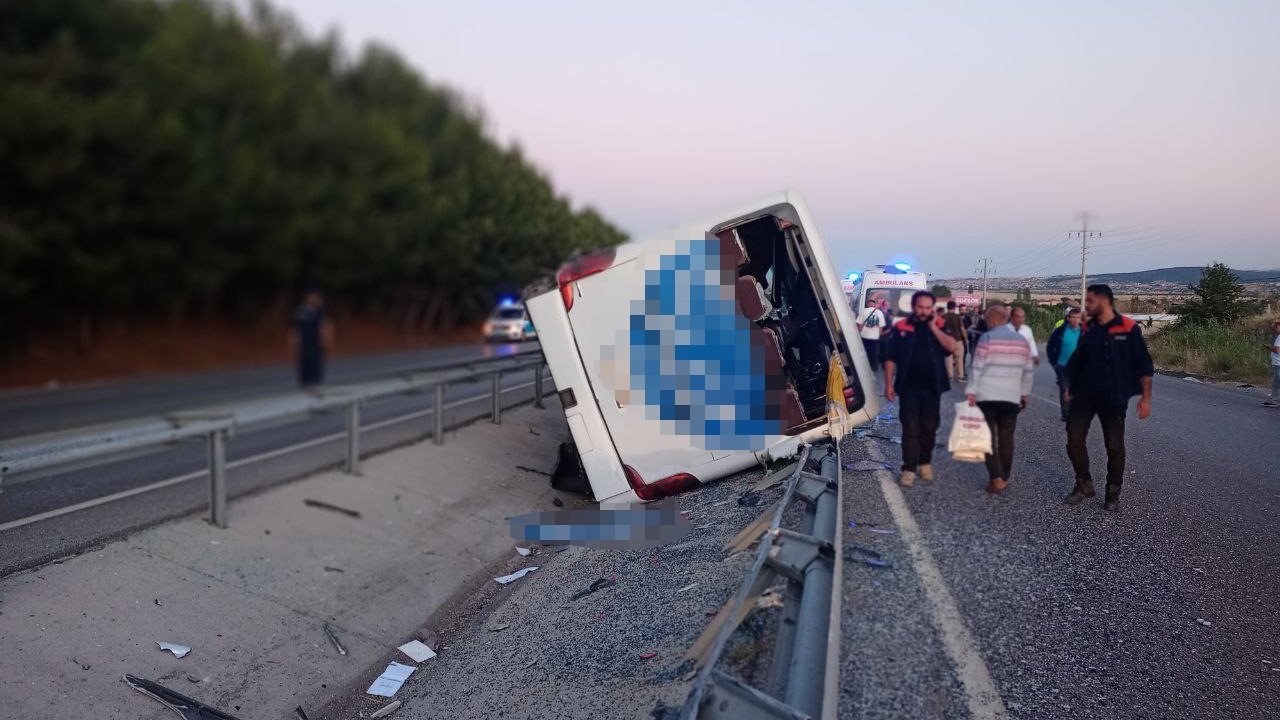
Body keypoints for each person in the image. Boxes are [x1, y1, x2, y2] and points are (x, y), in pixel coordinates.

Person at [1062, 284, 1154, 511]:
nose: (1086, 306)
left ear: (1103, 301)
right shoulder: (1088, 327)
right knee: (1074, 440)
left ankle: (1113, 492)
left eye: (1090, 301)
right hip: (1084, 393)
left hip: (1113, 396)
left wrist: (1146, 398)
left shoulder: (1128, 328)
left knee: (1114, 446)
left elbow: (1145, 364)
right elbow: (1078, 358)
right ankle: (1083, 482)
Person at [884, 291, 959, 487]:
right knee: (910, 429)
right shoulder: (902, 327)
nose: (924, 311)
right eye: (920, 307)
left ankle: (925, 462)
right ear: (914, 307)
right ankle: (909, 468)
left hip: (933, 387)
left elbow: (951, 347)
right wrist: (888, 384)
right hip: (908, 387)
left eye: (927, 308)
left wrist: (933, 327)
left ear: (932, 309)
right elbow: (891, 357)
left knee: (929, 428)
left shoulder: (940, 325)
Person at [966, 304, 1034, 494]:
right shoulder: (1021, 340)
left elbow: (977, 367)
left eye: (987, 320)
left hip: (987, 396)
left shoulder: (987, 338)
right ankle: (1004, 475)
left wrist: (971, 391)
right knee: (1007, 437)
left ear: (993, 320)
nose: (986, 323)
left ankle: (996, 477)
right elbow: (1027, 371)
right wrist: (1024, 393)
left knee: (987, 437)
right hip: (1011, 397)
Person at [290, 289, 335, 388]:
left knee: (316, 372)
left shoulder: (319, 312)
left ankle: (314, 388)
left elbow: (325, 328)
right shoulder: (300, 312)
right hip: (305, 344)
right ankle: (307, 387)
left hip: (315, 344)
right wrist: (295, 344)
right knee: (305, 370)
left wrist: (326, 343)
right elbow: (295, 330)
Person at [1046, 308, 1084, 420]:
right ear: (1068, 318)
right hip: (1063, 364)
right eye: (1073, 317)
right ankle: (1066, 413)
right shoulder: (1060, 331)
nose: (1076, 320)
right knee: (1065, 387)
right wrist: (1054, 362)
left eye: (1078, 317)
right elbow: (1051, 346)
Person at [856, 299, 887, 372]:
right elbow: (881, 326)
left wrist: (858, 333)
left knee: (864, 352)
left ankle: (864, 367)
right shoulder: (879, 313)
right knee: (874, 352)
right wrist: (879, 335)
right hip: (875, 337)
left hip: (864, 336)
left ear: (868, 304)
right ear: (874, 304)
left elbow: (859, 324)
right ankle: (874, 367)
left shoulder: (863, 311)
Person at [942, 301, 968, 381]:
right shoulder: (958, 317)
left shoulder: (943, 317)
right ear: (954, 308)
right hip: (958, 340)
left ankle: (950, 376)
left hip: (947, 340)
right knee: (959, 358)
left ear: (947, 307)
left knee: (948, 358)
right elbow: (962, 329)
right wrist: (966, 339)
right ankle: (960, 376)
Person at [1266, 319, 1280, 408]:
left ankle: (1275, 401)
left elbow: (1277, 350)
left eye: (1276, 328)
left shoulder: (1279, 337)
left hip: (1278, 363)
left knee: (1276, 382)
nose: (1275, 330)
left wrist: (1269, 348)